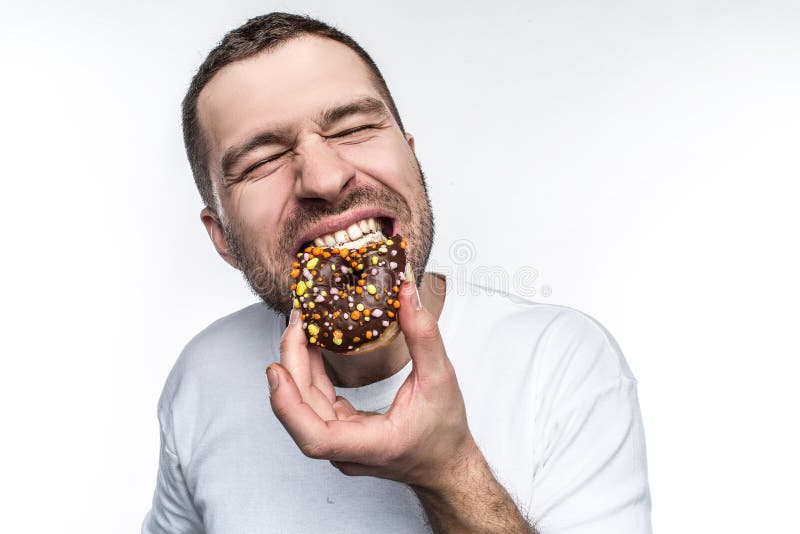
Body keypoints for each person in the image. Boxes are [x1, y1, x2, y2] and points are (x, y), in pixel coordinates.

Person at [143, 12, 652, 534]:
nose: (324, 177)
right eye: (263, 160)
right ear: (222, 237)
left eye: (355, 128)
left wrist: (448, 470)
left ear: (410, 157)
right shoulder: (202, 376)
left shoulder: (562, 363)